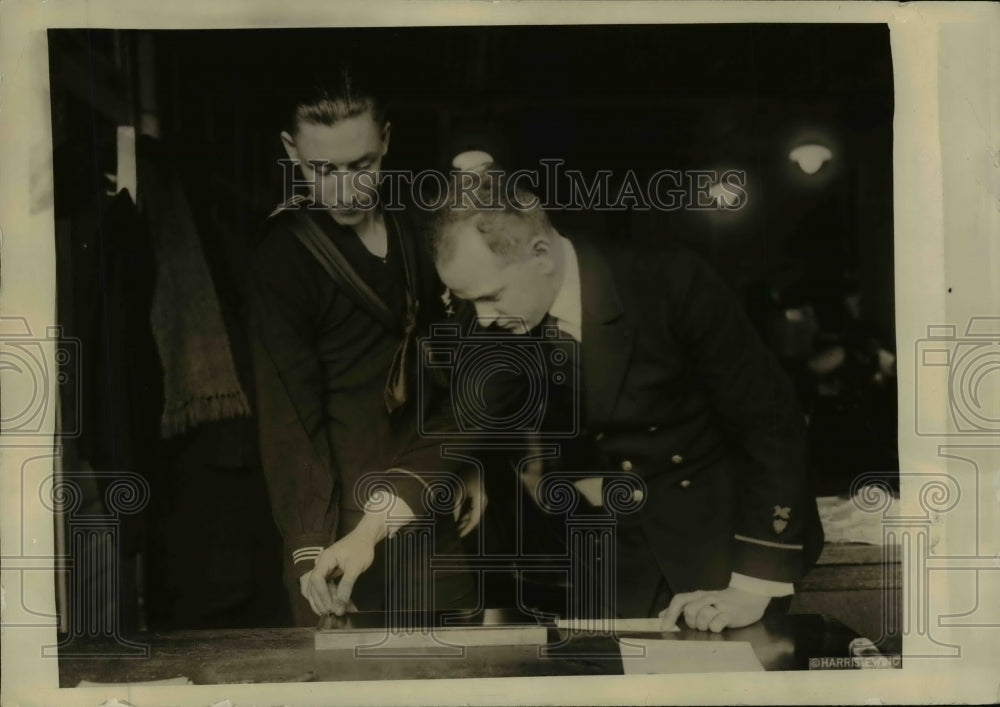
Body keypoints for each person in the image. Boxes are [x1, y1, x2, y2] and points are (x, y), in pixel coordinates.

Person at [426, 168, 824, 632]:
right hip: (608, 554)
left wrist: (755, 583)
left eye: (492, 297)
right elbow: (460, 422)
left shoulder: (669, 282)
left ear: (540, 255)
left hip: (722, 546)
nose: (484, 319)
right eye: (466, 301)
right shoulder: (504, 316)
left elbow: (770, 422)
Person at [244, 67, 484, 625]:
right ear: (290, 150)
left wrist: (468, 463)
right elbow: (289, 422)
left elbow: (456, 360)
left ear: (387, 142)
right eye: (321, 169)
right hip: (339, 523)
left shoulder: (420, 227)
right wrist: (308, 549)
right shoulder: (281, 259)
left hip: (435, 501)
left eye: (362, 165)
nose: (346, 187)